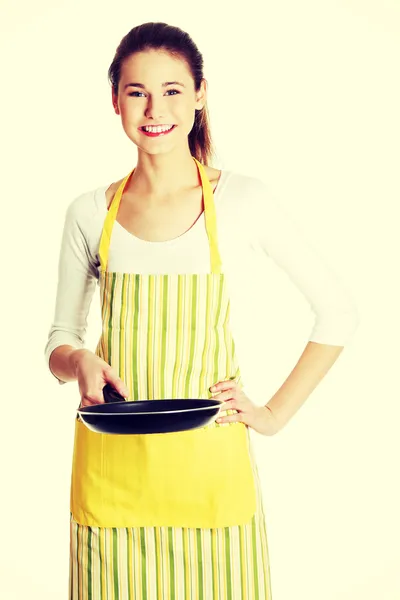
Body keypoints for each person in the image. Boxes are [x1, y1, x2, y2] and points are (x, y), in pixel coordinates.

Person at [44, 21, 359, 600]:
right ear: (115, 100)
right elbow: (59, 339)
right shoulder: (89, 212)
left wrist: (270, 414)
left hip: (211, 471)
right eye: (137, 91)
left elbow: (337, 312)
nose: (153, 108)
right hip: (116, 470)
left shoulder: (243, 199)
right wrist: (80, 359)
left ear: (200, 95)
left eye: (172, 90)